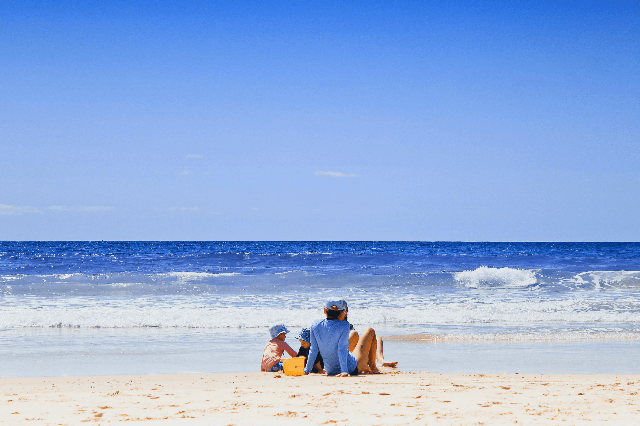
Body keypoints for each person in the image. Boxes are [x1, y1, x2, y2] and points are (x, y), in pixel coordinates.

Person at [304, 300, 381, 376]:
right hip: (351, 368)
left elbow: (313, 349)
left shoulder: (315, 324)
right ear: (342, 311)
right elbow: (341, 349)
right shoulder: (344, 325)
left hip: (330, 370)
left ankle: (367, 366)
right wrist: (344, 371)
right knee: (369, 330)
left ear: (324, 310)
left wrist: (307, 370)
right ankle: (373, 367)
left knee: (351, 341)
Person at [342, 300, 398, 368]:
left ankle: (381, 360)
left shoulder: (347, 325)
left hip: (355, 353)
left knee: (377, 337)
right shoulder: (335, 326)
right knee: (358, 334)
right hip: (347, 355)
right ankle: (372, 365)